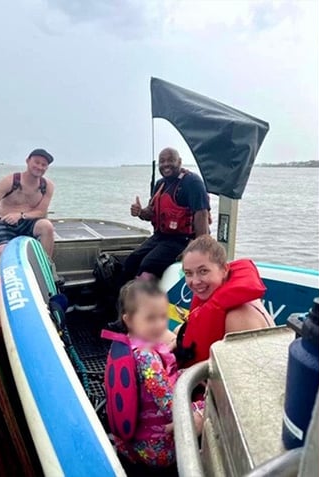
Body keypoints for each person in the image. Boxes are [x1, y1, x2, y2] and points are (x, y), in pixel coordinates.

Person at [101, 280, 203, 469]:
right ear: (129, 320)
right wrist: (202, 404)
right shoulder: (147, 356)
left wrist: (182, 373)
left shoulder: (123, 346)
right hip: (156, 450)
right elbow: (172, 407)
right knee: (211, 405)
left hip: (128, 444)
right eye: (150, 318)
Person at [173, 235, 273, 368]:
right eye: (188, 273)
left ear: (225, 269)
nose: (195, 281)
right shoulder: (215, 294)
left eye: (203, 271)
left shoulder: (239, 317)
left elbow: (243, 378)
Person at [122, 147, 211, 287]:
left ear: (180, 161)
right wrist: (140, 212)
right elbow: (151, 213)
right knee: (131, 261)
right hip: (161, 236)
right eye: (162, 161)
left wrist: (197, 250)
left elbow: (202, 215)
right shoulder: (160, 184)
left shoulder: (192, 182)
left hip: (183, 240)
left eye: (171, 160)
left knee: (148, 266)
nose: (166, 164)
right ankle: (125, 301)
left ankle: (147, 304)